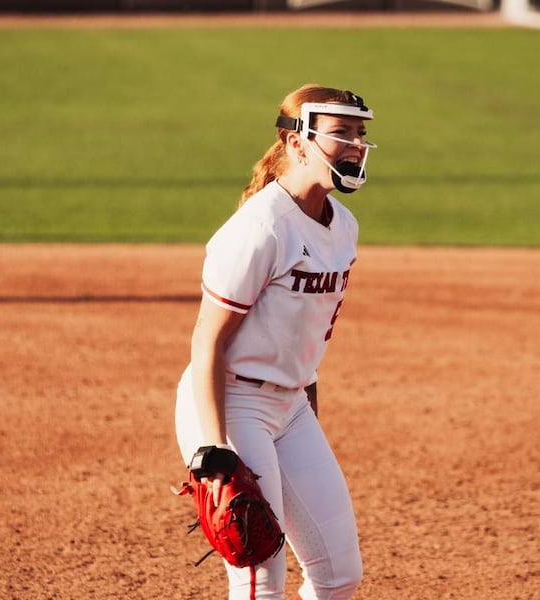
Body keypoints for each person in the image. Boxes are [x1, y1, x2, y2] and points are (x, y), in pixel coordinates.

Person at [174, 84, 376, 600]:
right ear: (297, 143)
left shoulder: (344, 227)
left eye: (360, 134)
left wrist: (305, 406)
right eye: (341, 133)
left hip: (291, 407)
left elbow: (304, 338)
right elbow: (207, 342)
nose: (355, 144)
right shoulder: (261, 229)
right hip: (233, 403)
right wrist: (214, 446)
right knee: (258, 574)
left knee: (339, 575)